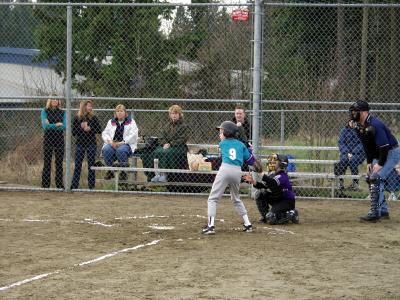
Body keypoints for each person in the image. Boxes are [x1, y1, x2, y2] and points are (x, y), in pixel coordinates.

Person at [349, 100, 400, 222]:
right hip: (379, 153)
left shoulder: (375, 124)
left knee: (375, 178)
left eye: (356, 111)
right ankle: (382, 210)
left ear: (364, 112)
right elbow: (367, 145)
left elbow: (385, 146)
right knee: (371, 178)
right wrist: (369, 163)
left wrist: (380, 164)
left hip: (391, 152)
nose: (352, 113)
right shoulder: (359, 126)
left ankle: (374, 213)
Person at [201, 121, 256, 235]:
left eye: (221, 132)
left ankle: (211, 226)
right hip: (237, 171)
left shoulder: (222, 143)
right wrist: (248, 150)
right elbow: (251, 161)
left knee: (213, 198)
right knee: (236, 198)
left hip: (225, 169)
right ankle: (248, 224)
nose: (220, 134)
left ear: (227, 133)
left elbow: (226, 152)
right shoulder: (241, 145)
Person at [243, 153, 299, 225]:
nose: (272, 163)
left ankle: (292, 214)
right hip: (277, 199)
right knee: (260, 194)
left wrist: (261, 173)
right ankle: (265, 216)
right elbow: (264, 186)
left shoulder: (282, 176)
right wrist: (253, 182)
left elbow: (272, 182)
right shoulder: (273, 174)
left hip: (286, 202)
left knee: (272, 218)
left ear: (282, 164)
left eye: (275, 161)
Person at [142, 105, 189, 183]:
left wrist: (170, 144)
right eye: (172, 113)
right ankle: (157, 174)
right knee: (157, 152)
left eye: (176, 113)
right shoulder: (166, 125)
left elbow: (183, 139)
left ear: (179, 115)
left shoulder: (184, 126)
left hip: (179, 147)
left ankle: (165, 175)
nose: (174, 115)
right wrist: (164, 143)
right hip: (166, 146)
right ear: (170, 115)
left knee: (167, 153)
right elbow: (161, 137)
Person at [101, 104, 138, 180]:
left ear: (125, 112)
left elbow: (133, 135)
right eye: (117, 111)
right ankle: (110, 171)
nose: (119, 113)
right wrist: (110, 141)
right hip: (113, 143)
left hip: (125, 144)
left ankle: (123, 172)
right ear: (115, 113)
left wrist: (122, 142)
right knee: (106, 149)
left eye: (121, 111)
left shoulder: (131, 122)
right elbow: (105, 133)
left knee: (121, 150)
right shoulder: (111, 122)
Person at [71, 100, 102, 190]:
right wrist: (81, 127)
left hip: (91, 143)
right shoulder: (77, 118)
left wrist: (90, 128)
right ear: (83, 107)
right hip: (80, 144)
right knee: (78, 165)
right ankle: (74, 186)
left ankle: (91, 186)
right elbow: (73, 132)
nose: (90, 108)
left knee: (91, 164)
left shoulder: (94, 118)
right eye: (88, 106)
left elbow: (99, 130)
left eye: (91, 106)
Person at [41, 96, 66, 189]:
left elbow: (64, 126)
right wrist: (56, 125)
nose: (55, 100)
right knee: (47, 162)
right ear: (50, 101)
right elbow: (44, 126)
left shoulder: (63, 112)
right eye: (53, 99)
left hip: (59, 139)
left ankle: (59, 185)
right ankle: (45, 185)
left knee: (59, 162)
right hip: (48, 139)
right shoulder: (44, 111)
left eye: (57, 99)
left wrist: (50, 124)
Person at [334, 120, 366, 191]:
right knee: (343, 160)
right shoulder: (344, 131)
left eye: (354, 121)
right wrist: (347, 152)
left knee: (353, 161)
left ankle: (355, 184)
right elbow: (341, 143)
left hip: (358, 153)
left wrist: (353, 153)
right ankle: (340, 183)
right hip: (346, 153)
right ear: (348, 122)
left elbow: (362, 143)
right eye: (351, 121)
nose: (352, 123)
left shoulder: (361, 130)